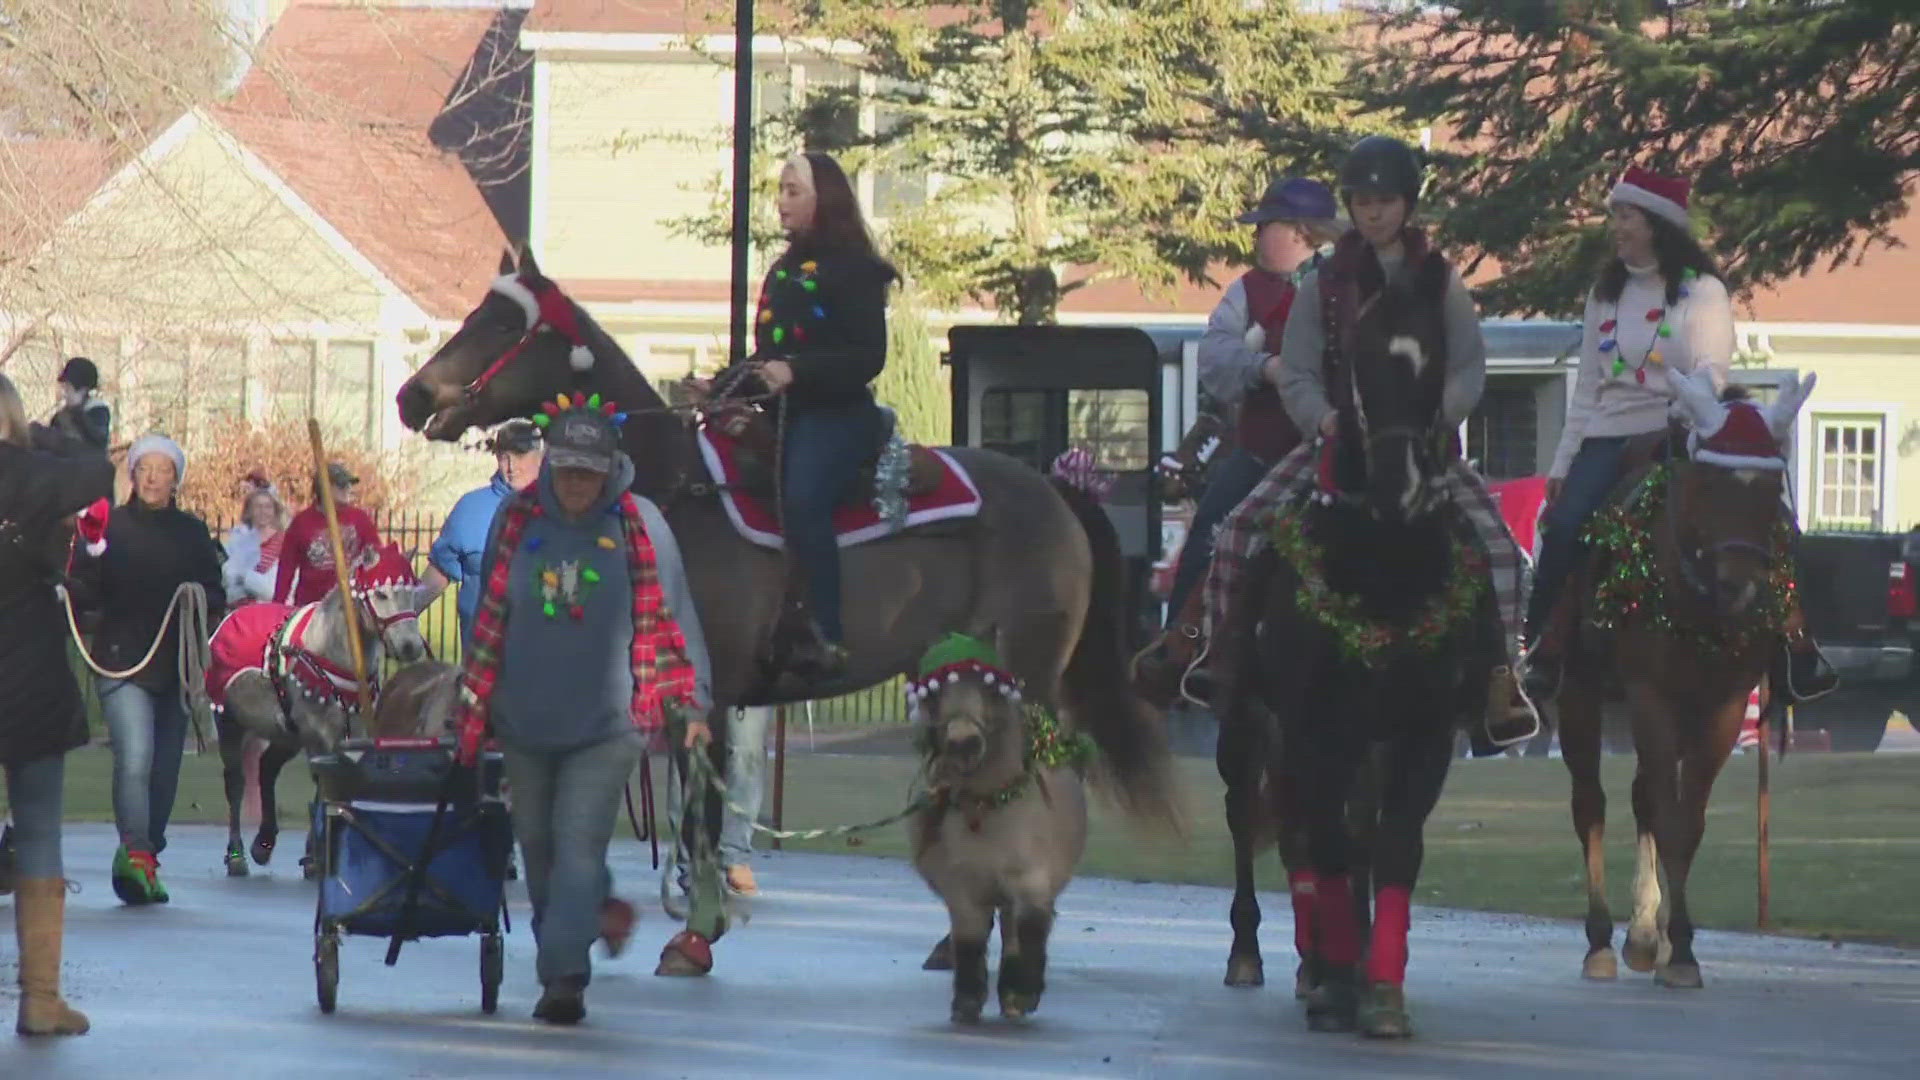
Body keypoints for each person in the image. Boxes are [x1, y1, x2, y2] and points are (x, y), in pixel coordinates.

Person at [1202, 134, 1541, 747]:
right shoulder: (1323, 283)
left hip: (1425, 444)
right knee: (1236, 531)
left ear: (1407, 204)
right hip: (1337, 442)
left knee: (1503, 554)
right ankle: (1220, 655)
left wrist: (1439, 416)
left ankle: (1502, 680)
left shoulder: (1441, 281)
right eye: (1362, 201)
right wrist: (1323, 420)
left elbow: (1469, 366)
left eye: (1385, 200)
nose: (1373, 212)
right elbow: (1299, 371)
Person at [1522, 166, 1838, 703]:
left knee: (1771, 519)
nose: (1617, 228)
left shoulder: (1703, 292)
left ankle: (1797, 645)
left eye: (1627, 217)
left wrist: (1682, 417)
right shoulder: (1604, 293)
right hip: (1607, 436)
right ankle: (1541, 651)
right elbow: (1587, 393)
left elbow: (1712, 373)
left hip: (1682, 429)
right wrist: (1561, 465)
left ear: (1657, 225)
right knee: (1567, 525)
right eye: (1616, 217)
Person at [453, 396, 719, 1024]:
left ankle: (564, 977)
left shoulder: (641, 524)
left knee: (576, 845)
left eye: (588, 472)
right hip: (525, 720)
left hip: (610, 724)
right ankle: (591, 911)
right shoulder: (514, 520)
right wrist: (475, 699)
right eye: (566, 469)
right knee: (539, 849)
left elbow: (675, 619)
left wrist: (694, 703)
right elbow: (489, 615)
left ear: (611, 467)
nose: (576, 484)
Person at [1145, 177, 1342, 697]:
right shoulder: (1247, 290)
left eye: (1266, 227)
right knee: (1215, 526)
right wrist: (1264, 367)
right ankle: (1180, 647)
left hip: (1343, 450)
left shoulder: (1355, 283)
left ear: (1302, 234)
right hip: (1265, 452)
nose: (1256, 239)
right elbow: (1214, 360)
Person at [710, 152, 897, 685]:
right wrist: (722, 386)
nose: (781, 201)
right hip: (787, 416)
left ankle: (825, 632)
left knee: (803, 495)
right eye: (781, 190)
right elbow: (766, 359)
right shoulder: (784, 270)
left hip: (839, 416)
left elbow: (868, 357)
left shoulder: (855, 268)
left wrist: (797, 372)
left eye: (793, 191)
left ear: (825, 198)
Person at [0, 372, 115, 1036]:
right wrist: (50, 432)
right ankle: (39, 999)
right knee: (40, 829)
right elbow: (95, 471)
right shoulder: (35, 476)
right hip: (31, 671)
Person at [70, 433, 226, 904]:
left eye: (163, 470)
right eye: (145, 469)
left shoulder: (193, 533)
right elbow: (83, 592)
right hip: (121, 662)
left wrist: (200, 601)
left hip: (174, 665)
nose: (154, 477)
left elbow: (214, 593)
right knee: (134, 758)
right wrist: (92, 552)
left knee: (165, 768)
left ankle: (147, 852)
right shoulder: (109, 528)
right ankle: (136, 854)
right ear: (133, 475)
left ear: (176, 478)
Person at [421, 419, 545, 643]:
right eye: (503, 457)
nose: (511, 467)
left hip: (542, 655)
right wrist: (397, 620)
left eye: (520, 457)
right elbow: (436, 576)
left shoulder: (560, 510)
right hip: (481, 656)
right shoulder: (470, 509)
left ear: (541, 457)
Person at [275, 461, 381, 606]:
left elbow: (376, 558)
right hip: (312, 605)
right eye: (342, 485)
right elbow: (286, 568)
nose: (348, 489)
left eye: (349, 485)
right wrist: (278, 604)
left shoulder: (360, 519)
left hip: (351, 604)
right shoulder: (301, 523)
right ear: (325, 488)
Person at [222, 474, 289, 606]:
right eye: (257, 507)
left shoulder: (283, 542)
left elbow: (271, 590)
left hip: (270, 611)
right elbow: (226, 580)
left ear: (275, 511)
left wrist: (243, 576)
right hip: (237, 611)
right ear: (249, 510)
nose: (262, 511)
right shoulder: (237, 539)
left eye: (267, 507)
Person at [49, 357, 111, 451]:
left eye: (68, 388)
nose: (64, 393)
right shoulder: (61, 417)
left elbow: (98, 441)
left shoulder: (98, 412)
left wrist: (78, 415)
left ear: (83, 390)